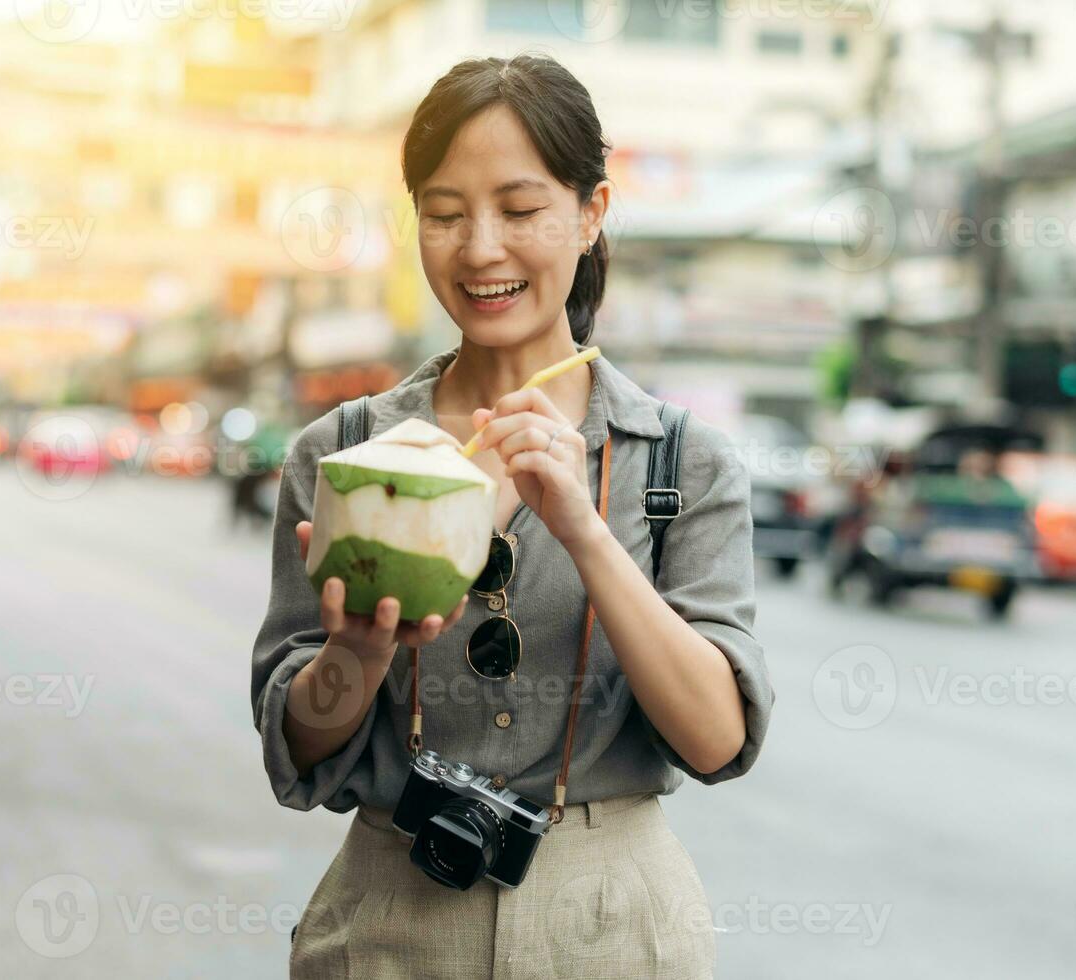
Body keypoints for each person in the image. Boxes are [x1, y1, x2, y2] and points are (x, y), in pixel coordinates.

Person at [250, 53, 774, 979]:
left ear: (592, 212)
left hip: (615, 926)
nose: (481, 249)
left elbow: (716, 737)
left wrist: (583, 525)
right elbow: (298, 746)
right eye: (445, 214)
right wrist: (359, 655)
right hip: (391, 920)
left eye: (521, 210)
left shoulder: (681, 461)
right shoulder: (342, 457)